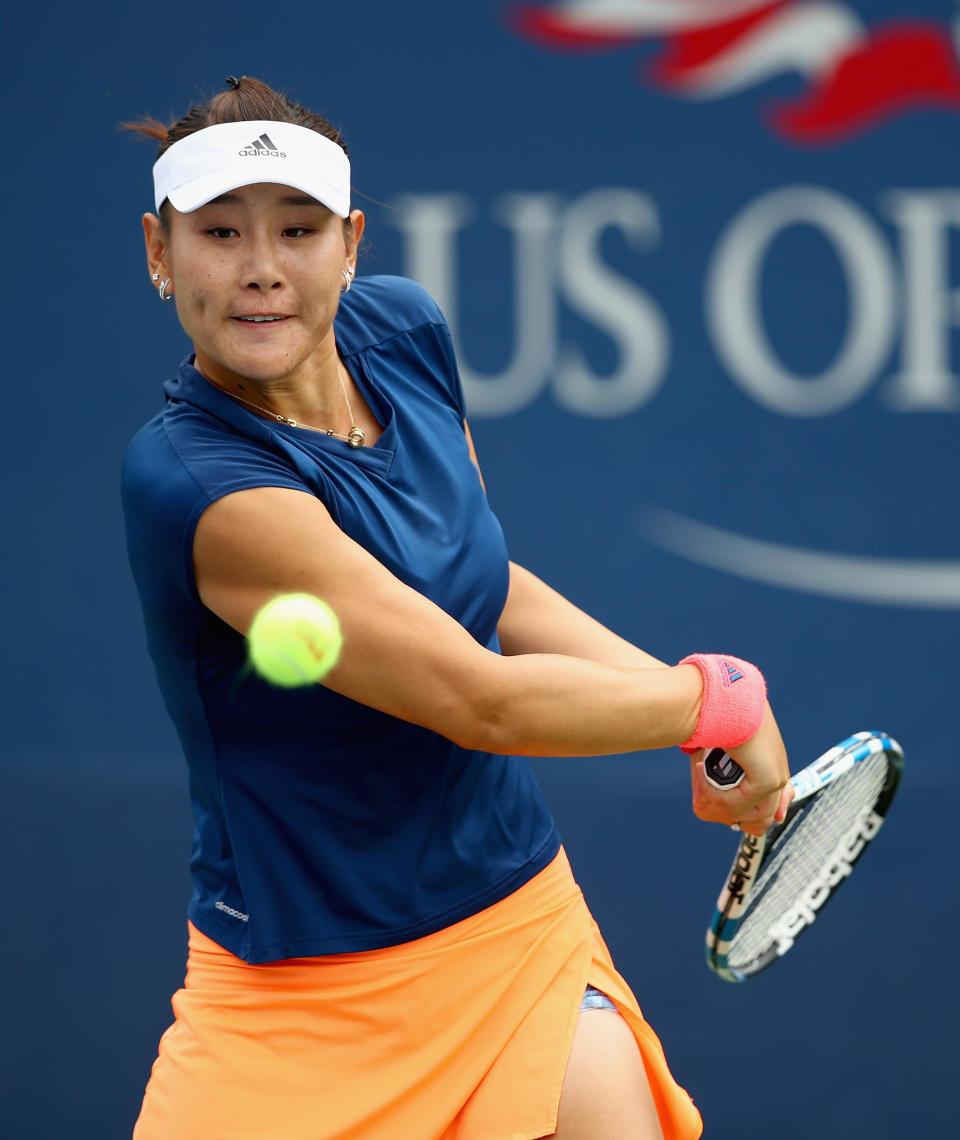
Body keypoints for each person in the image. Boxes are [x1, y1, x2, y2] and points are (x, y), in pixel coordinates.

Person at [121, 76, 790, 1140]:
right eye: (220, 233)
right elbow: (477, 699)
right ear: (160, 252)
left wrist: (682, 705)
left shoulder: (405, 332)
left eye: (297, 230)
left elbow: (482, 582)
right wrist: (714, 703)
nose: (260, 268)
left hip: (514, 931)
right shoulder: (199, 484)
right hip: (296, 1008)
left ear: (351, 244)